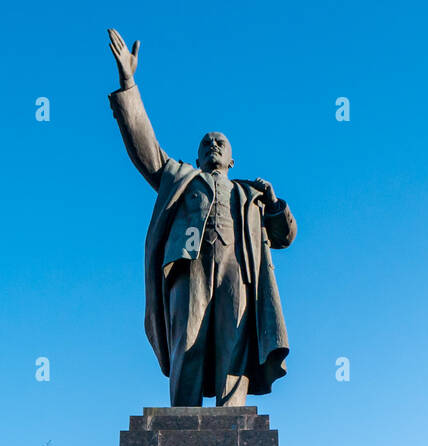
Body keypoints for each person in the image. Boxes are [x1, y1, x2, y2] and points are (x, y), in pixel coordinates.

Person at [107, 29, 297, 407]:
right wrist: (129, 83)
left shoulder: (250, 194)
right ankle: (182, 414)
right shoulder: (180, 177)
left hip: (237, 271)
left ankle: (231, 415)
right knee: (188, 341)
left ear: (231, 160)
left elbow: (284, 237)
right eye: (206, 143)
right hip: (188, 263)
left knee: (234, 345)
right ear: (196, 159)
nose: (213, 145)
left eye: (220, 143)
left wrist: (275, 203)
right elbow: (146, 149)